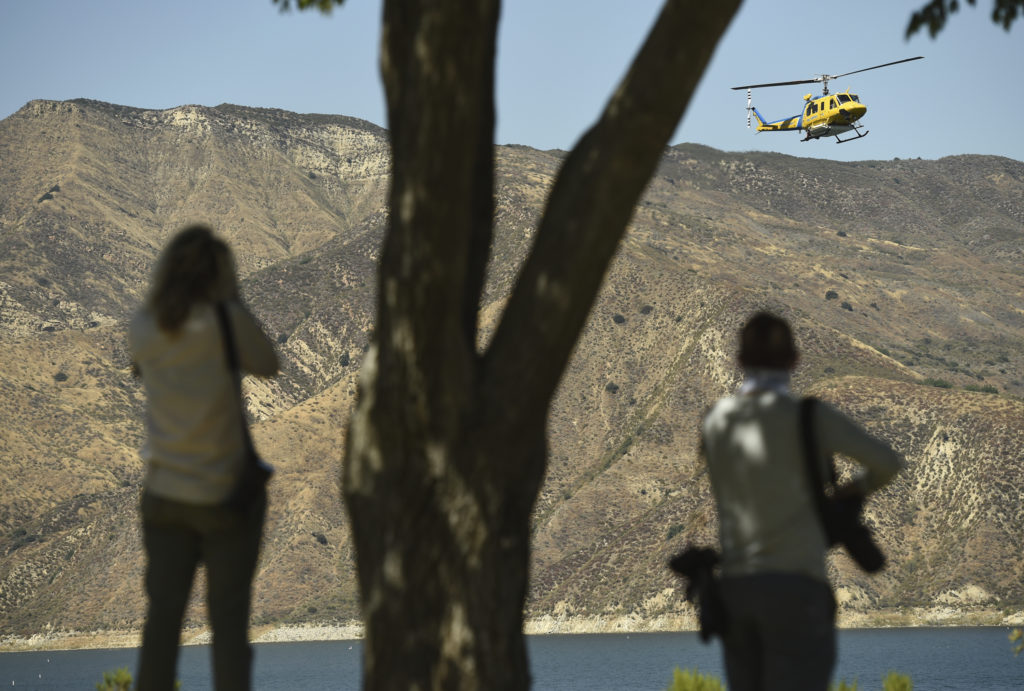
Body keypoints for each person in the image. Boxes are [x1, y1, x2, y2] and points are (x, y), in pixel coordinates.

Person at [700, 312, 903, 691]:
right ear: (795, 360)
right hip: (797, 590)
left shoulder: (716, 422)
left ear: (740, 361)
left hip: (736, 593)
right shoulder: (809, 418)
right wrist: (853, 489)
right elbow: (887, 463)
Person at [129, 225, 279, 691]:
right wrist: (233, 300)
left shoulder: (144, 323)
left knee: (162, 627)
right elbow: (268, 363)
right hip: (224, 499)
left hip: (164, 496)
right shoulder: (225, 320)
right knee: (229, 628)